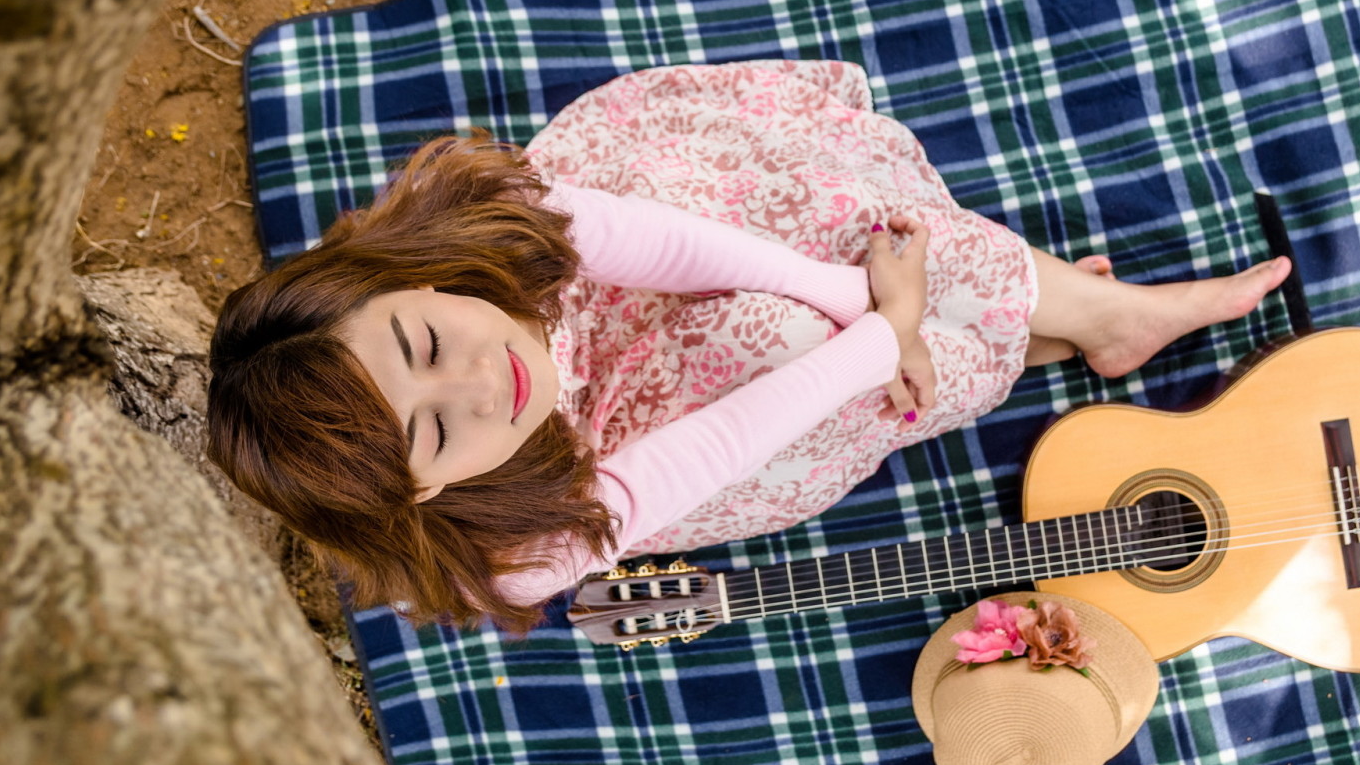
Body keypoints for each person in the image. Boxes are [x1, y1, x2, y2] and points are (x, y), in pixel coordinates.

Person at [208, 61, 1289, 633]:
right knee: (784, 340)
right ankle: (1027, 327)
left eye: (427, 340)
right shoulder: (511, 549)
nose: (485, 380)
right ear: (425, 494)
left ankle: (1077, 321)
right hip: (684, 427)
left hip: (668, 259)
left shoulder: (477, 227)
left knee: (823, 245)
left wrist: (859, 294)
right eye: (438, 429)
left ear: (416, 281)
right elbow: (701, 456)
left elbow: (669, 240)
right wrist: (876, 340)